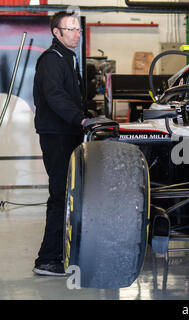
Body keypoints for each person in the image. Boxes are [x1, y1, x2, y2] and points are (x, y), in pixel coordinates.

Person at [33, 11, 89, 276]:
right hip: (56, 135)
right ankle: (46, 259)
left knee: (68, 195)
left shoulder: (69, 58)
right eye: (71, 29)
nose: (77, 33)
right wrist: (81, 119)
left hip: (68, 133)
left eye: (78, 29)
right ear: (57, 32)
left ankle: (62, 252)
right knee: (59, 195)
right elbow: (55, 97)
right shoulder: (51, 60)